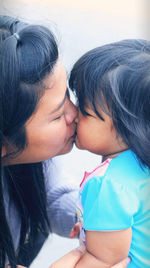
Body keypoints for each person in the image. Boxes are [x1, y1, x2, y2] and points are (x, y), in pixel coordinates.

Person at [0, 15, 130, 268]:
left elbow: (56, 196)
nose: (75, 114)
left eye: (68, 96)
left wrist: (109, 212)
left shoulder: (33, 161)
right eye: (58, 114)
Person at [68, 39, 150, 267]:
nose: (73, 114)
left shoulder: (108, 185)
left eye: (84, 111)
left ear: (126, 127)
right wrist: (94, 226)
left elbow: (102, 261)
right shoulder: (140, 167)